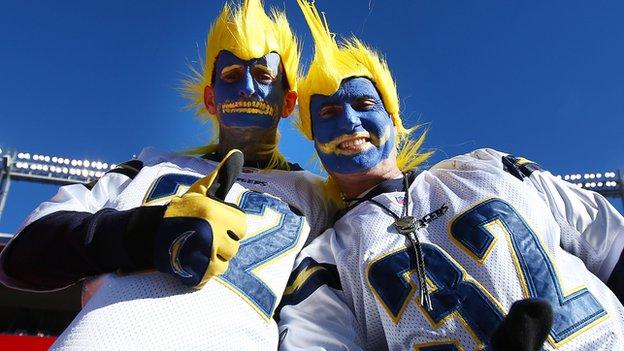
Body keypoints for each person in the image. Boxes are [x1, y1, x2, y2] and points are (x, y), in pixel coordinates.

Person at [277, 1, 624, 350]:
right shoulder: (327, 255)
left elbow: (609, 245)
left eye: (365, 106)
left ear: (393, 118)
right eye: (329, 112)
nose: (349, 123)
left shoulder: (489, 166)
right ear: (314, 138)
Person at [0, 0, 334, 349]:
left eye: (264, 76)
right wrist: (146, 233)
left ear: (288, 101)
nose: (247, 88)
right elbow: (21, 256)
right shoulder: (148, 165)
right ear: (210, 98)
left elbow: (328, 322)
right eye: (231, 76)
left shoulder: (318, 196)